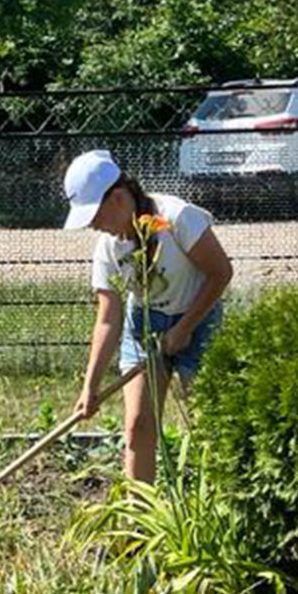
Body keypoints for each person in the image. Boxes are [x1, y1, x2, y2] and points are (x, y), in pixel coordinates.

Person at [64, 150, 234, 483]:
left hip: (199, 318)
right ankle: (138, 525)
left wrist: (186, 328)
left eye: (94, 215)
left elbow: (220, 273)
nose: (94, 226)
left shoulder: (177, 218)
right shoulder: (108, 248)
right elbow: (108, 318)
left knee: (206, 421)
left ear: (117, 198)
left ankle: (219, 505)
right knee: (138, 423)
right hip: (144, 323)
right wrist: (90, 387)